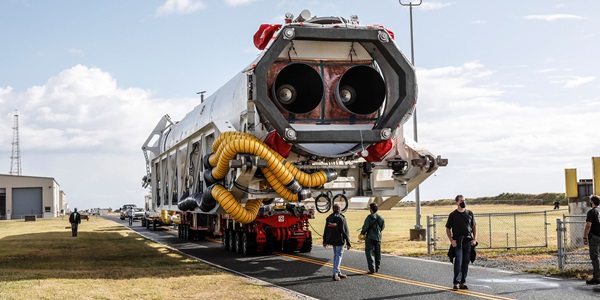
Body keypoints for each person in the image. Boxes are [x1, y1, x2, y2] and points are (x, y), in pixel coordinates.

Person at [446, 195, 477, 290]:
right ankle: (456, 282)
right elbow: (448, 228)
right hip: (458, 241)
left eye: (464, 200)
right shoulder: (453, 215)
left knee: (466, 261)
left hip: (468, 241)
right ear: (457, 203)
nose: (463, 202)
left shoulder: (470, 213)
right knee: (458, 261)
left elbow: (474, 226)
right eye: (461, 201)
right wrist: (452, 240)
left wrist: (474, 239)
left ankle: (463, 282)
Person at [323, 203, 351, 281]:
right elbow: (344, 231)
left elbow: (326, 230)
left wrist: (325, 240)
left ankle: (338, 272)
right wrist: (348, 242)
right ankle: (335, 274)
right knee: (338, 256)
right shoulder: (341, 218)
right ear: (339, 209)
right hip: (339, 240)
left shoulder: (329, 218)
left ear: (333, 209)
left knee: (336, 255)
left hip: (332, 240)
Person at [361, 202, 385, 274]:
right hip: (378, 237)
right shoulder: (381, 217)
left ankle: (372, 268)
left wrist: (362, 233)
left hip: (370, 237)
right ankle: (377, 268)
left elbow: (365, 227)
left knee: (369, 252)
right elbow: (382, 227)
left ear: (371, 209)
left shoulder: (369, 217)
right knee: (377, 253)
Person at [583, 195, 600, 285]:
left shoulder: (592, 212)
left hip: (595, 237)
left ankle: (596, 277)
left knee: (595, 257)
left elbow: (588, 225)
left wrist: (585, 236)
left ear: (592, 202)